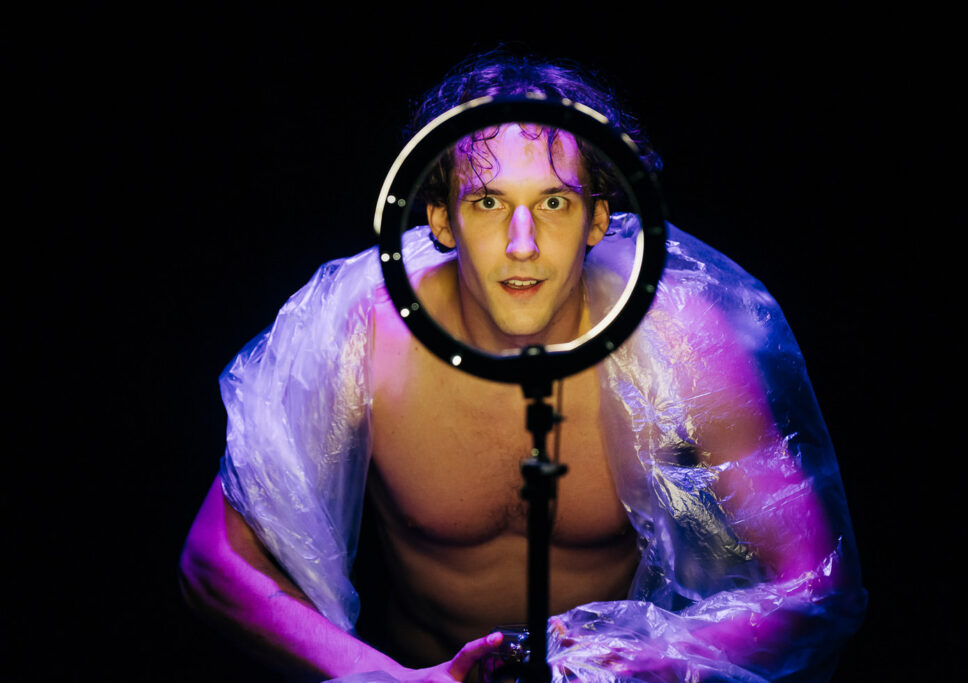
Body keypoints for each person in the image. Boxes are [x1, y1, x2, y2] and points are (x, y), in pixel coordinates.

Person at [179, 51, 867, 682]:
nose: (522, 244)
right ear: (440, 220)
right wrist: (391, 682)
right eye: (487, 202)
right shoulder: (360, 334)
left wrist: (664, 662)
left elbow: (817, 580)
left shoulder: (678, 342)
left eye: (554, 202)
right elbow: (214, 562)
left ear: (598, 219)